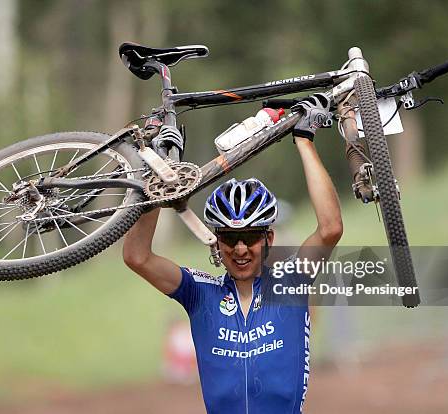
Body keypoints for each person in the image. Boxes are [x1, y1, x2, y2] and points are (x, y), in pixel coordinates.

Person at [123, 95, 342, 413]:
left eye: (250, 237)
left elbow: (330, 228)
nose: (240, 248)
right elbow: (137, 257)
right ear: (215, 240)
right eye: (229, 237)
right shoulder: (200, 292)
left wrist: (305, 141)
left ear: (269, 237)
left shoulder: (290, 282)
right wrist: (158, 178)